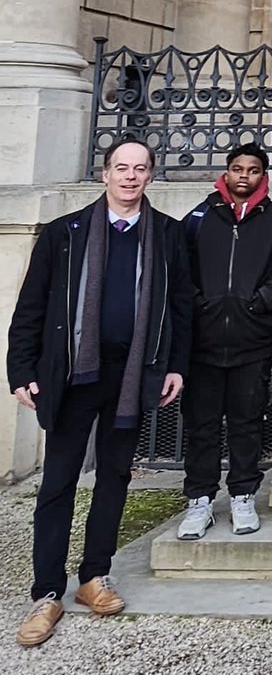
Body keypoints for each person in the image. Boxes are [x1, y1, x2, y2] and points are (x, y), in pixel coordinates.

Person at [9, 139, 191, 647]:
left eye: (140, 169)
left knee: (114, 477)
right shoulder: (63, 234)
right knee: (59, 481)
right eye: (121, 168)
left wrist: (175, 367)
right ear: (105, 175)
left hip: (132, 376)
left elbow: (181, 309)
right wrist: (22, 370)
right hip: (71, 375)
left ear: (151, 177)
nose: (130, 177)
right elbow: (31, 309)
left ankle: (94, 576)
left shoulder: (169, 236)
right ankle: (47, 592)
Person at [177, 143, 272, 541]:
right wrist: (200, 305)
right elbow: (179, 267)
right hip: (204, 341)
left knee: (247, 421)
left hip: (253, 339)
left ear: (262, 176)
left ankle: (242, 493)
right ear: (227, 172)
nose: (243, 176)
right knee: (201, 424)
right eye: (237, 168)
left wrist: (265, 300)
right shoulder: (199, 218)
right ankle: (199, 498)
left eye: (252, 170)